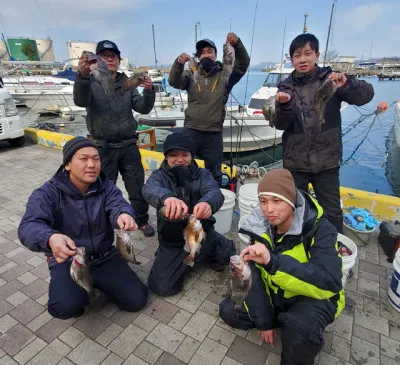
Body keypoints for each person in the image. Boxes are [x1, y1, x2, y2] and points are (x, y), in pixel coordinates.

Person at [219, 169, 345, 365]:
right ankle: (279, 320)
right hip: (278, 291)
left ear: (292, 201)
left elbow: (329, 281)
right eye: (263, 201)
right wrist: (264, 322)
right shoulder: (260, 226)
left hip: (313, 296)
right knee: (228, 310)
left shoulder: (321, 230)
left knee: (300, 327)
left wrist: (273, 262)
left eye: (277, 201)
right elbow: (254, 274)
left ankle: (302, 336)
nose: (269, 209)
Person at [18, 137, 148, 319]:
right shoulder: (47, 193)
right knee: (65, 307)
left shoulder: (106, 186)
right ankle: (78, 289)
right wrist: (50, 238)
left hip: (104, 256)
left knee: (137, 300)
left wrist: (124, 214)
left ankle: (97, 280)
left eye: (96, 158)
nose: (92, 164)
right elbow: (29, 226)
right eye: (83, 158)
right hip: (70, 259)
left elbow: (118, 204)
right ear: (68, 164)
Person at [273, 33, 374, 234]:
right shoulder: (285, 86)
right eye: (297, 55)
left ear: (317, 55)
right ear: (291, 59)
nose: (302, 59)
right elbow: (281, 124)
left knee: (332, 212)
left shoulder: (330, 78)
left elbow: (366, 95)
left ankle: (335, 254)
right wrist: (282, 106)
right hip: (296, 162)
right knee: (297, 209)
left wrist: (346, 84)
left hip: (327, 161)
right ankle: (298, 247)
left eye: (308, 53)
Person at [73, 40, 156, 237]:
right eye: (104, 55)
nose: (109, 59)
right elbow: (80, 101)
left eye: (113, 56)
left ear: (119, 61)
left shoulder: (127, 82)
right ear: (96, 60)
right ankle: (104, 221)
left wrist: (149, 91)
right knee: (102, 187)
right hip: (102, 147)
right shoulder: (90, 80)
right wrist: (83, 76)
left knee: (137, 185)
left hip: (128, 145)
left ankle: (142, 220)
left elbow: (142, 107)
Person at [142, 131, 236, 296]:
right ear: (166, 156)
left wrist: (208, 202)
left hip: (202, 233)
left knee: (230, 253)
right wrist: (167, 197)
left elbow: (215, 192)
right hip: (172, 241)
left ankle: (209, 250)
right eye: (173, 155)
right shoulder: (159, 176)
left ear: (192, 155)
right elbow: (148, 189)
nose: (179, 159)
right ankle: (176, 258)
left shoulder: (203, 174)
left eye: (185, 154)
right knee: (161, 288)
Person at [168, 33, 250, 186]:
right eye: (202, 52)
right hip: (191, 129)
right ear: (198, 57)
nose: (206, 55)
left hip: (213, 133)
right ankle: (187, 200)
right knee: (184, 169)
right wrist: (178, 64)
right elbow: (173, 81)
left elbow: (242, 65)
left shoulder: (225, 75)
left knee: (214, 174)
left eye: (209, 51)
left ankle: (212, 204)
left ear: (216, 54)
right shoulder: (192, 73)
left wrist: (237, 44)